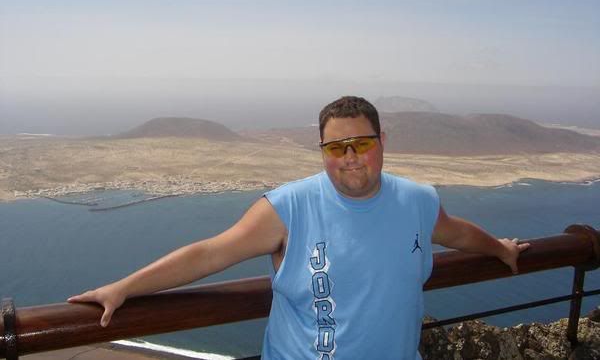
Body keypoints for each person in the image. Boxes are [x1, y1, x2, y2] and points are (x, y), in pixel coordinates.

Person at [69, 96, 529, 359]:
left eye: (362, 143)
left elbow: (456, 232)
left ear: (382, 141)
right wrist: (125, 288)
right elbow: (210, 253)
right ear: (322, 150)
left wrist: (501, 249)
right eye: (336, 147)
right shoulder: (289, 207)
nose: (350, 157)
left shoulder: (417, 201)